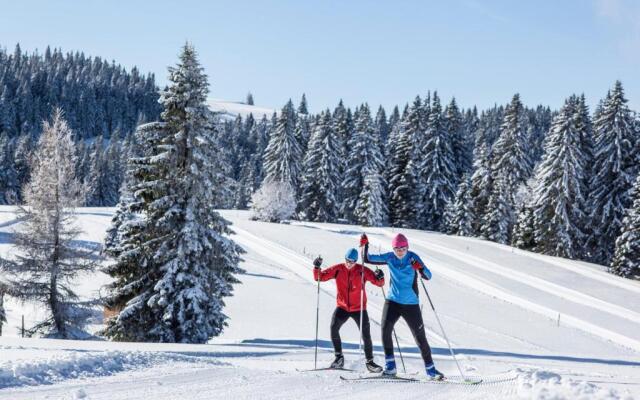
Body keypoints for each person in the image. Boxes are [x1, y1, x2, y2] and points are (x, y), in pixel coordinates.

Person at [360, 233, 444, 380]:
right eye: (397, 249)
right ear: (393, 249)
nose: (400, 252)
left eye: (402, 249)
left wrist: (420, 268)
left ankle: (431, 370)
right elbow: (367, 259)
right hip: (392, 301)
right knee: (385, 330)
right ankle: (391, 367)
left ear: (407, 248)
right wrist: (365, 245)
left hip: (411, 304)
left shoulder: (413, 258)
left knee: (420, 338)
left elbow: (428, 276)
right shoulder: (389, 257)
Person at [313, 248, 385, 372]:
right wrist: (316, 267)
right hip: (343, 307)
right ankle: (339, 358)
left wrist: (380, 276)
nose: (349, 263)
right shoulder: (338, 269)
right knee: (333, 328)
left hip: (359, 309)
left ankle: (370, 362)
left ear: (356, 261)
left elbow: (379, 283)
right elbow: (320, 277)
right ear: (345, 258)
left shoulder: (362, 271)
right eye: (348, 260)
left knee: (366, 335)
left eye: (352, 261)